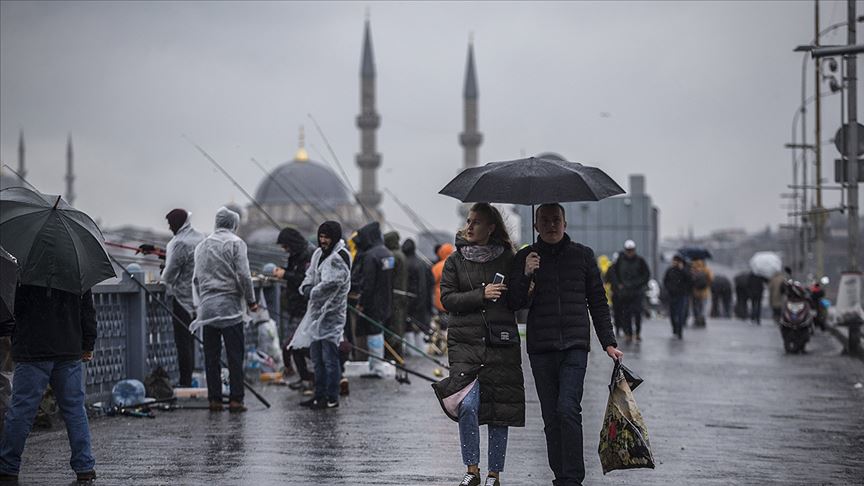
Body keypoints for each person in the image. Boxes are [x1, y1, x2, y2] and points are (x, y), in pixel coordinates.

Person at [508, 203, 623, 486]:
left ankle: (572, 478)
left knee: (567, 408)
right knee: (550, 416)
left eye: (556, 220)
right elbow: (513, 302)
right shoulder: (526, 257)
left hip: (574, 344)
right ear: (536, 226)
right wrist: (526, 274)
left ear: (565, 223)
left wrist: (608, 342)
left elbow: (598, 301)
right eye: (544, 221)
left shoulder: (582, 256)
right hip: (541, 347)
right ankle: (560, 475)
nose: (551, 225)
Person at [432, 203, 524, 486]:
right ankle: (472, 470)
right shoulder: (455, 261)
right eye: (469, 221)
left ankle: (494, 475)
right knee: (468, 405)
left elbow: (519, 302)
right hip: (465, 343)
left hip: (500, 342)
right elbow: (447, 300)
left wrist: (529, 277)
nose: (469, 227)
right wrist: (480, 294)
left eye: (477, 222)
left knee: (499, 409)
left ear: (491, 227)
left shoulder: (509, 259)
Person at [0, 285, 98, 482]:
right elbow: (87, 309)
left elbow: (10, 308)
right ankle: (84, 467)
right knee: (74, 410)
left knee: (21, 410)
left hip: (31, 349)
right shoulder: (76, 264)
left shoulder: (24, 266)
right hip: (68, 348)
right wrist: (88, 343)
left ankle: (8, 466)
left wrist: (15, 335)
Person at [191, 207, 258, 413]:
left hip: (208, 309)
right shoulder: (236, 243)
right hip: (230, 308)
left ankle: (215, 400)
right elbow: (244, 276)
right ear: (234, 224)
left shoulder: (202, 246)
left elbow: (196, 279)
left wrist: (202, 303)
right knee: (234, 355)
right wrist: (251, 301)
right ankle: (236, 399)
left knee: (211, 356)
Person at [291, 221, 352, 410]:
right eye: (321, 236)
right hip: (316, 314)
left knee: (329, 358)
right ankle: (319, 395)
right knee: (317, 357)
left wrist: (312, 292)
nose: (323, 240)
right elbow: (309, 275)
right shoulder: (318, 254)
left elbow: (330, 284)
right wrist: (306, 287)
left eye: (327, 237)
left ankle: (331, 397)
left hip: (332, 315)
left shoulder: (339, 257)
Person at [161, 208, 205, 388]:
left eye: (171, 223)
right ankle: (193, 379)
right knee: (193, 342)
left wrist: (163, 275)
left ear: (178, 223)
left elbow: (169, 275)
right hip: (200, 299)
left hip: (182, 300)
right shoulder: (199, 237)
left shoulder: (179, 243)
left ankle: (185, 383)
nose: (169, 227)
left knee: (183, 344)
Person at [273, 227, 315, 394]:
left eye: (285, 246)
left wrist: (285, 275)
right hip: (295, 306)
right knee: (294, 344)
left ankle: (314, 377)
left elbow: (305, 280)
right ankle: (305, 378)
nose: (284, 250)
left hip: (304, 307)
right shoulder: (297, 254)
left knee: (297, 344)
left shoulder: (308, 254)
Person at [351, 222, 393, 378]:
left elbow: (368, 284)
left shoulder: (370, 256)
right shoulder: (386, 253)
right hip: (385, 300)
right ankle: (376, 365)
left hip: (372, 302)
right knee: (379, 332)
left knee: (373, 333)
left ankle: (377, 368)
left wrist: (362, 303)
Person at [609, 240, 650, 342]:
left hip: (637, 292)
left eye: (631, 250)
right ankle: (628, 333)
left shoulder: (640, 261)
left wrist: (638, 284)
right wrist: (618, 285)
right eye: (628, 250)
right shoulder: (620, 261)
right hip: (624, 293)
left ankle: (637, 332)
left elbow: (646, 275)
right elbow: (613, 274)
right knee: (625, 313)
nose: (629, 252)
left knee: (637, 313)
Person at [402, 238, 434, 357]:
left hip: (410, 302)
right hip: (423, 302)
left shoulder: (406, 263)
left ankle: (413, 354)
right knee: (420, 330)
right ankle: (420, 354)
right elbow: (429, 283)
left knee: (409, 329)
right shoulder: (423, 263)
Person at [384, 231, 408, 358]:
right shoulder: (401, 255)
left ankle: (394, 354)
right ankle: (398, 353)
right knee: (399, 325)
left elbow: (387, 275)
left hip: (394, 296)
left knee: (394, 324)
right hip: (401, 294)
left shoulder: (393, 256)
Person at [663, 255, 692, 339]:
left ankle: (679, 331)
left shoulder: (684, 270)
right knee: (672, 314)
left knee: (680, 314)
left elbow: (690, 280)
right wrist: (669, 289)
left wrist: (682, 269)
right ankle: (675, 328)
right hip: (672, 295)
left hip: (681, 295)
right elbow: (665, 281)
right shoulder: (670, 270)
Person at [690, 258, 713, 327]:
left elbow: (690, 279)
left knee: (696, 306)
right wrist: (707, 284)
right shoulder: (706, 269)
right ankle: (702, 319)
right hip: (704, 292)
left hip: (695, 291)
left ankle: (697, 319)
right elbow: (711, 279)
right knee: (703, 306)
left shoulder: (693, 269)